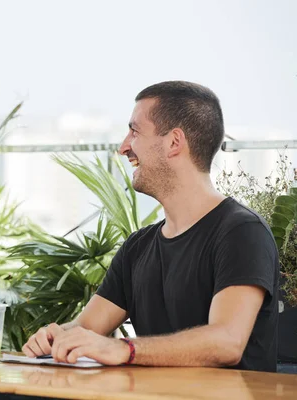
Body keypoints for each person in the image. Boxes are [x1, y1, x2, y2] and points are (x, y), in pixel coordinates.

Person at [22, 81, 279, 372]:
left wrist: (123, 349)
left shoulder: (242, 232)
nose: (123, 147)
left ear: (174, 142)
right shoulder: (138, 246)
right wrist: (56, 338)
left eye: (134, 131)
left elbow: (227, 342)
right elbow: (87, 328)